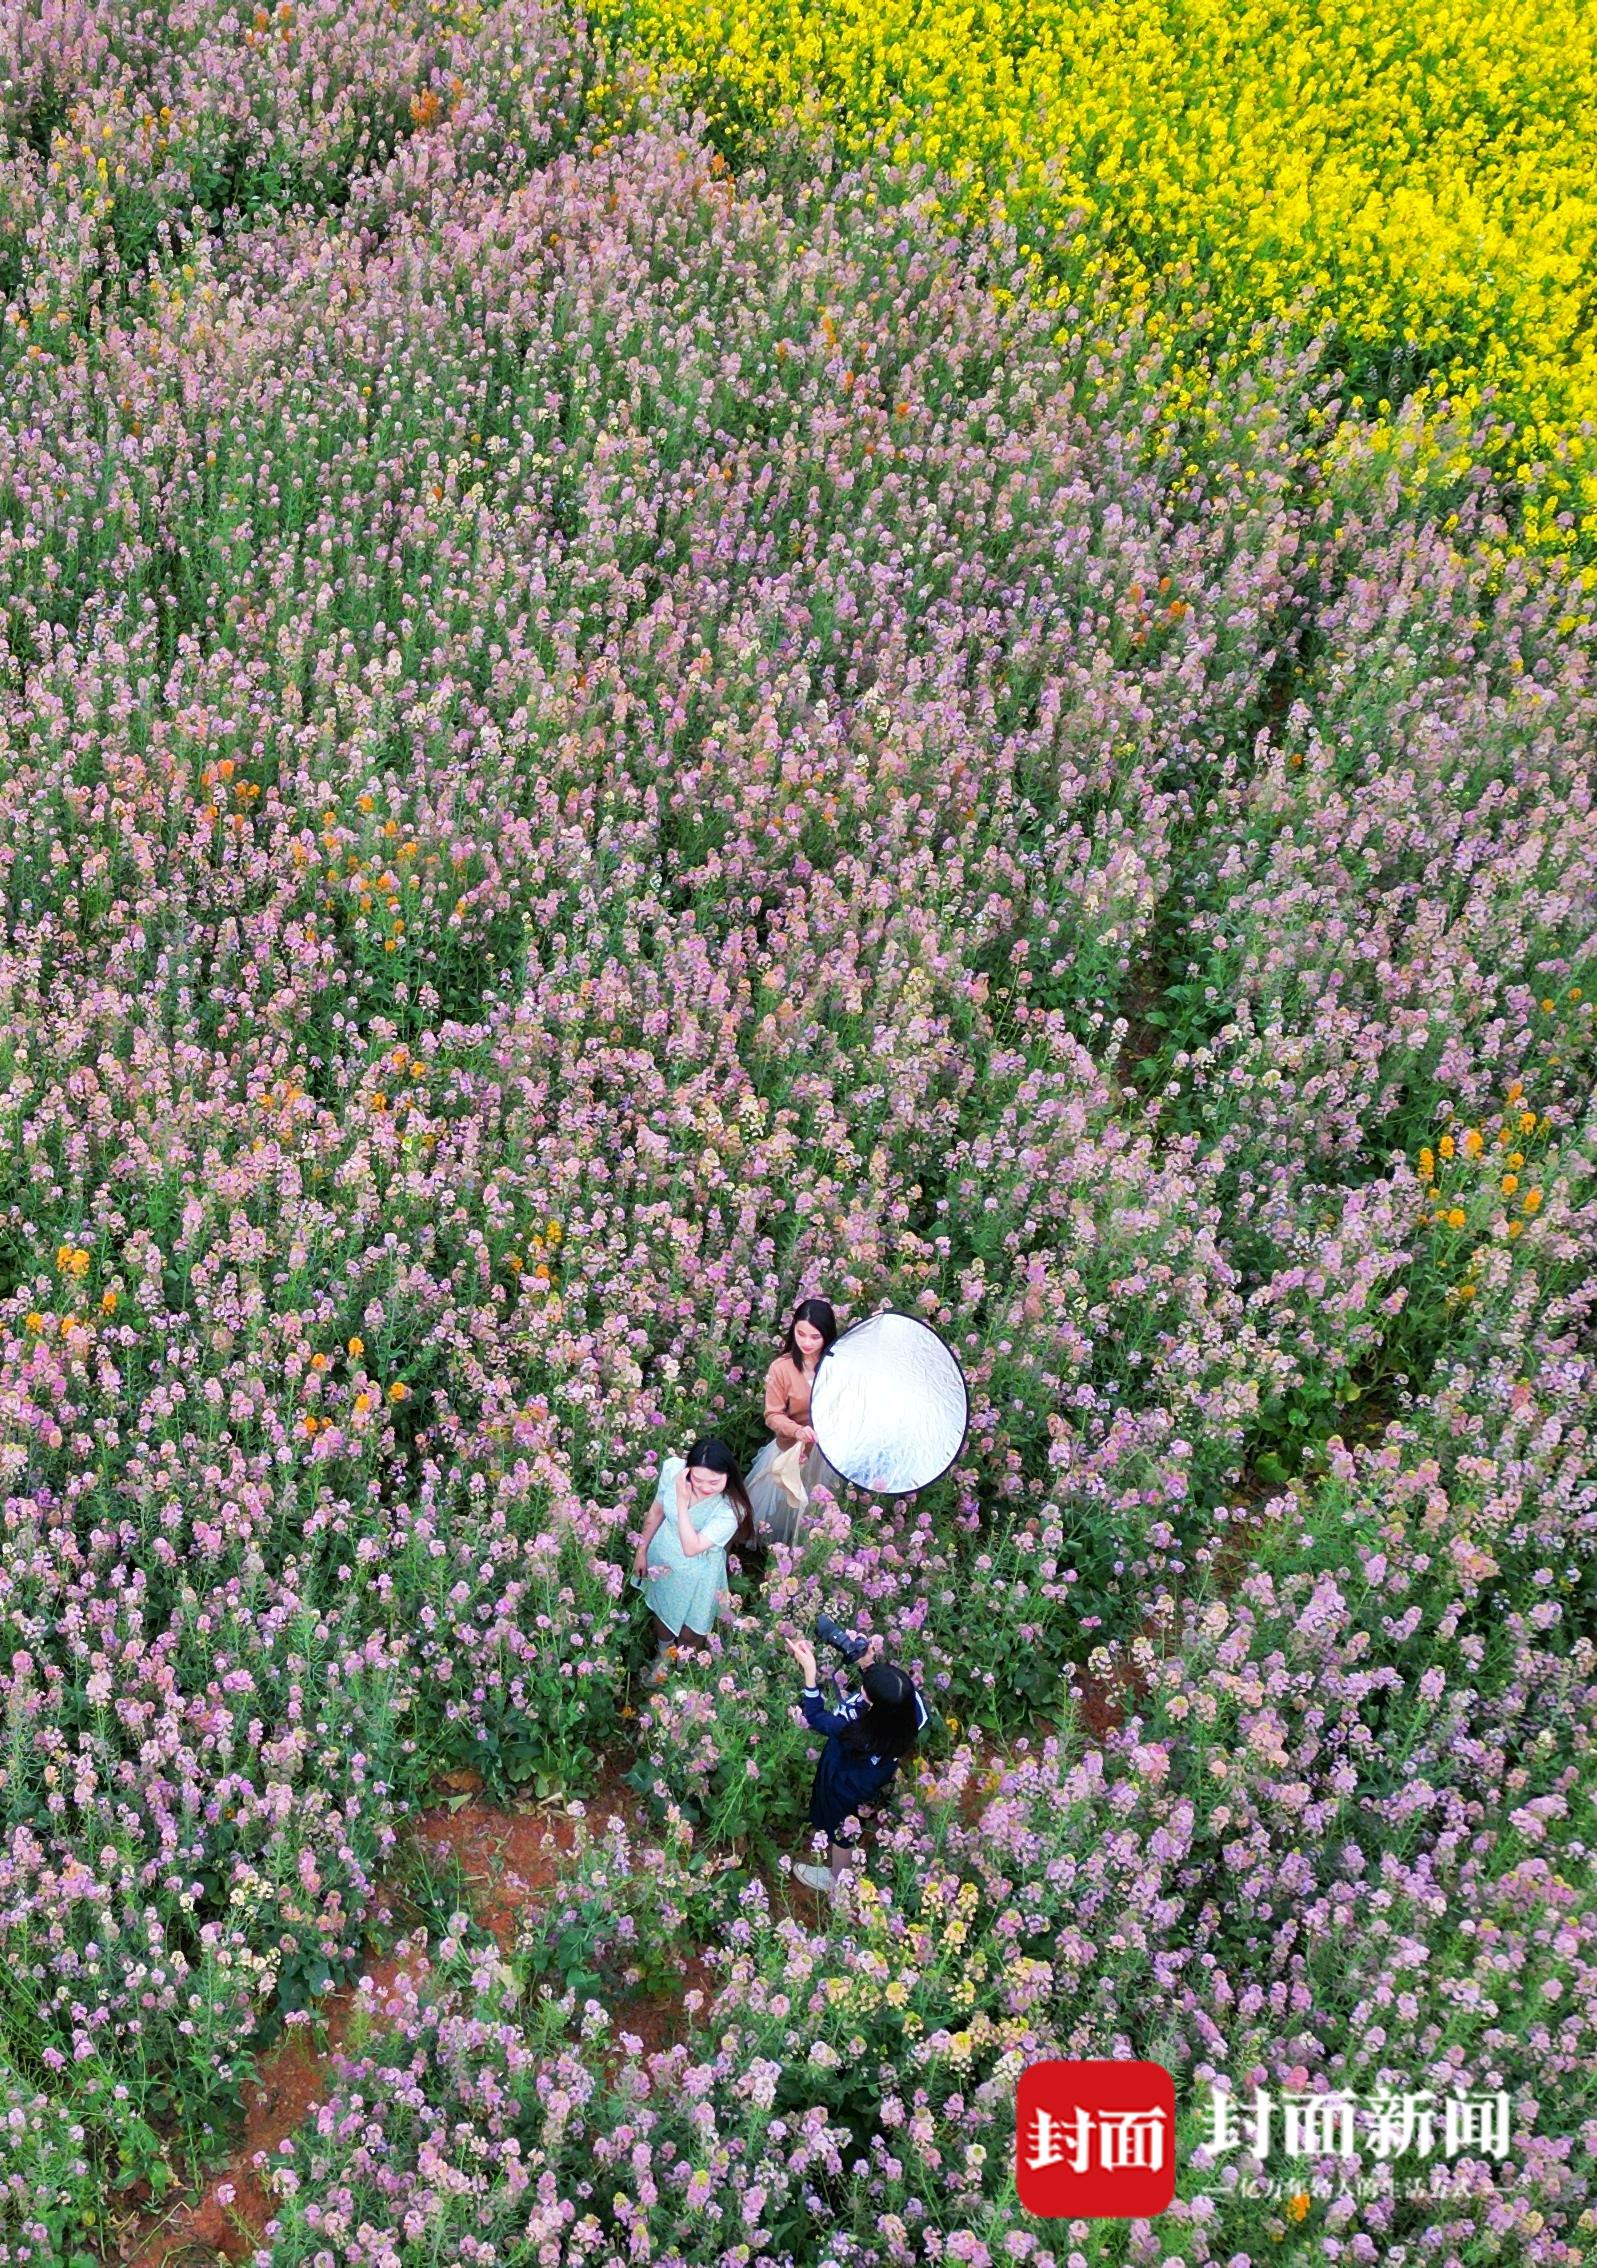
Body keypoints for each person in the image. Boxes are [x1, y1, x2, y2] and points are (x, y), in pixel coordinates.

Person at [783, 1632, 929, 1896]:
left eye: (866, 1693)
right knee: (851, 1817)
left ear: (875, 1708)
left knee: (842, 1827)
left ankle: (837, 1879)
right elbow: (890, 1693)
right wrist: (868, 1664)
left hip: (845, 1780)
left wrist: (810, 1672)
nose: (861, 1691)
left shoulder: (855, 1731)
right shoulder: (909, 1711)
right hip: (874, 1773)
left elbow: (815, 1716)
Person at [633, 1439, 753, 1680]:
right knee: (662, 1609)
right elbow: (656, 1511)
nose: (705, 1487)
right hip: (664, 1556)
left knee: (692, 1630)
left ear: (728, 1476)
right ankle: (663, 1656)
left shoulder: (731, 1509)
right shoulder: (673, 1470)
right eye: (697, 1479)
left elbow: (692, 1547)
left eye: (714, 1482)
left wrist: (681, 1500)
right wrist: (641, 1551)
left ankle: (682, 1670)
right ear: (687, 1469)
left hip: (700, 1571)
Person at [745, 1298, 842, 1545]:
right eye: (801, 1334)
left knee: (819, 1508)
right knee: (781, 1503)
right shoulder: (782, 1368)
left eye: (815, 1337)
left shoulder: (838, 1365)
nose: (806, 1342)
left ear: (827, 1336)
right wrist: (797, 1431)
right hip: (791, 1448)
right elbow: (772, 1414)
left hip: (826, 1453)